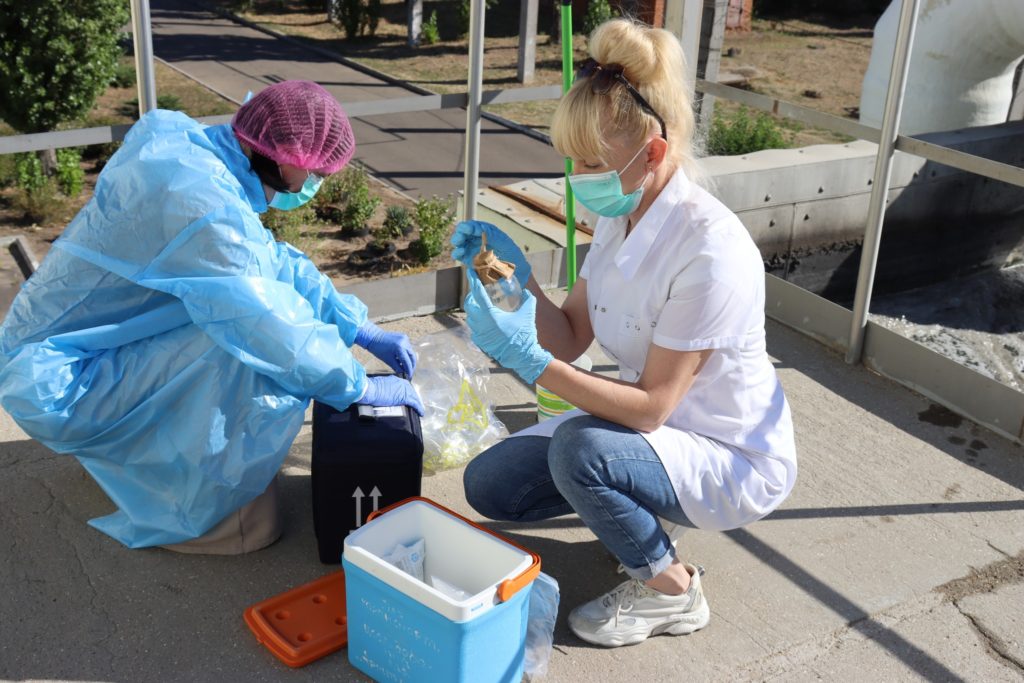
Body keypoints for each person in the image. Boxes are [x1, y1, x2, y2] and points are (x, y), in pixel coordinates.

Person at [452, 19, 797, 647]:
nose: (576, 177)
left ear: (654, 153)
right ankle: (639, 507)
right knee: (490, 486)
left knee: (580, 454)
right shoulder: (623, 215)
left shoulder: (711, 253)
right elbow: (571, 335)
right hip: (656, 430)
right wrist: (513, 278)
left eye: (591, 163)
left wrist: (528, 364)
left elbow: (651, 409)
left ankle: (673, 589)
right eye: (572, 160)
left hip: (726, 450)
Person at [0, 80, 423, 552]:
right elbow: (267, 324)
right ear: (286, 160)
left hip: (64, 354)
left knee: (251, 317)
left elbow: (268, 262)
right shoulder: (205, 209)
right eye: (316, 173)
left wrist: (356, 326)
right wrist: (357, 386)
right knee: (246, 350)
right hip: (59, 382)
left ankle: (157, 453)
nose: (314, 186)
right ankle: (213, 517)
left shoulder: (191, 156)